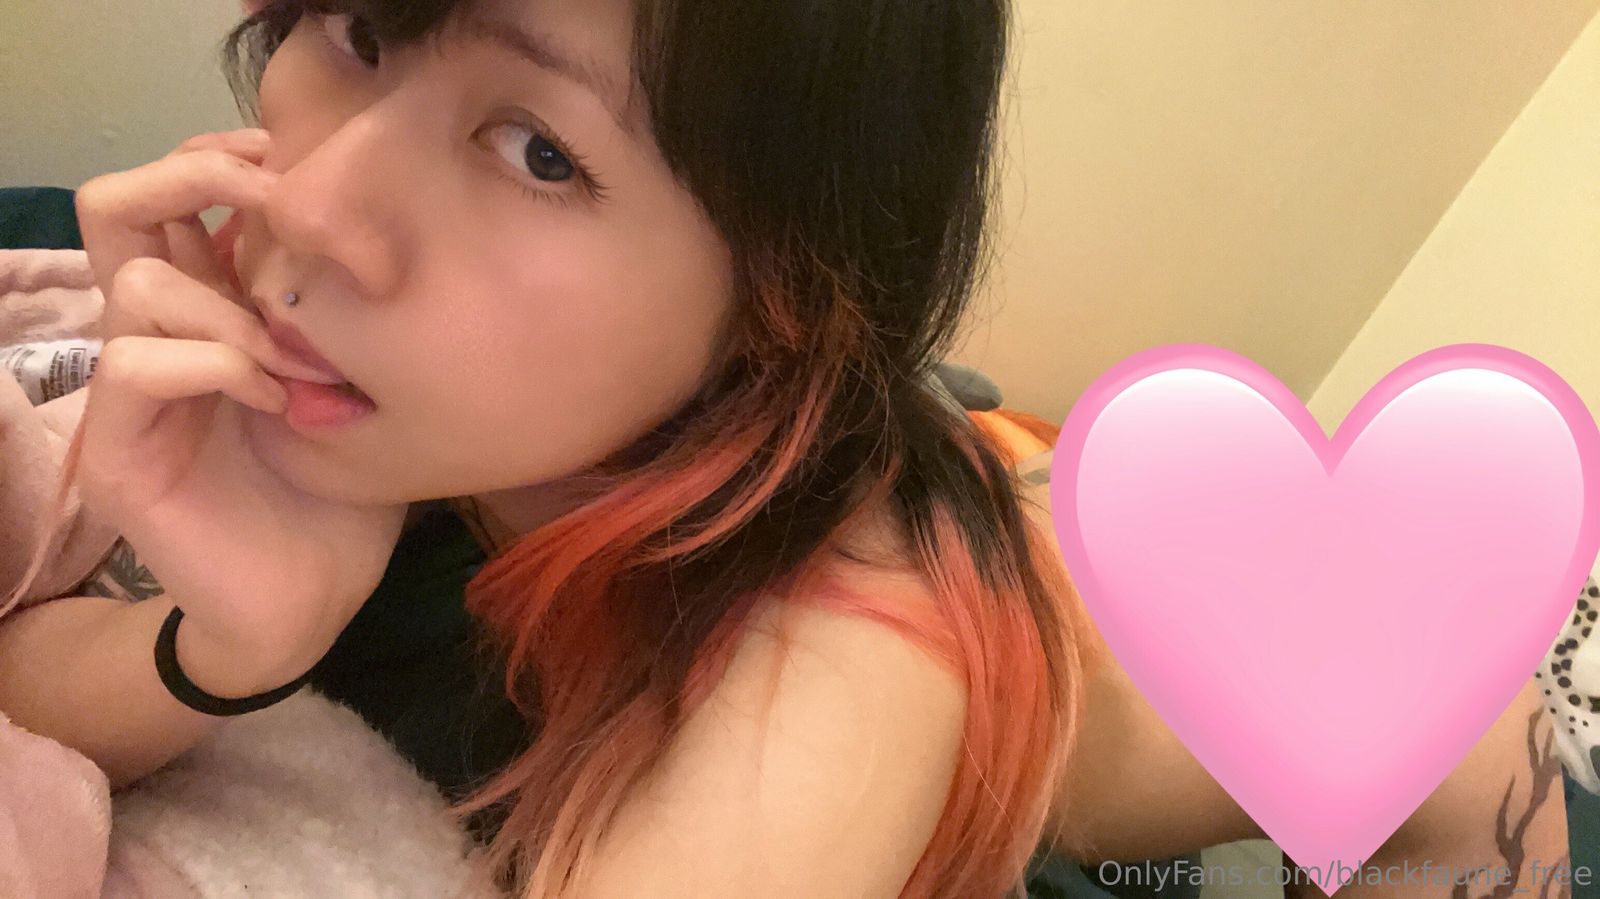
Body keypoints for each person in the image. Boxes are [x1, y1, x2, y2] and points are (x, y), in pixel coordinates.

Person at [0, 1, 1575, 897]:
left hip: (1451, 757)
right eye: (361, 26)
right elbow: (35, 689)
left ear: (781, 296)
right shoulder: (436, 395)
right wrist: (228, 646)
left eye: (540, 150)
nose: (320, 203)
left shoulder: (839, 659)